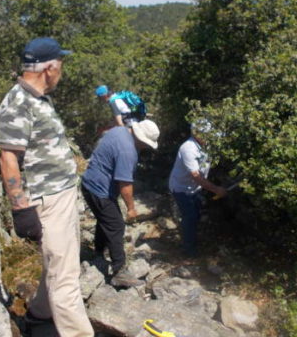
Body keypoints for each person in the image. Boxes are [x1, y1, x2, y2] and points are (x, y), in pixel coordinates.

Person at [0, 37, 94, 337]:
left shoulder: (37, 98)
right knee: (65, 276)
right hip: (48, 200)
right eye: (61, 63)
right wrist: (20, 208)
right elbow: (8, 157)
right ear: (50, 68)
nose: (62, 70)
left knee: (59, 262)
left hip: (60, 194)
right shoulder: (19, 102)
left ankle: (40, 314)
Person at [81, 119, 160, 287]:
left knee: (105, 220)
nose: (145, 147)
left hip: (90, 183)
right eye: (146, 143)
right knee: (116, 225)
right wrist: (131, 208)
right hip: (99, 190)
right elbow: (124, 184)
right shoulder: (127, 151)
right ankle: (119, 272)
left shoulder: (119, 131)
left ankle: (98, 253)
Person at [168, 119, 228, 258]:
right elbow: (196, 176)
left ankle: (193, 239)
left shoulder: (207, 144)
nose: (209, 137)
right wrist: (216, 190)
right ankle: (189, 250)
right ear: (197, 134)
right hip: (182, 188)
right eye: (206, 135)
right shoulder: (188, 148)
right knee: (190, 217)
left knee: (196, 213)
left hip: (195, 187)